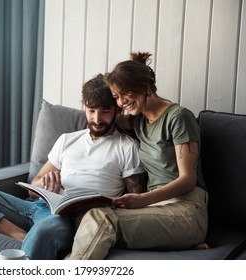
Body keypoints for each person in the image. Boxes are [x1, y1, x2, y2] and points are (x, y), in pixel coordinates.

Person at [0, 74, 147, 260]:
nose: (96, 119)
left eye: (104, 112)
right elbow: (32, 189)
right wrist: (44, 184)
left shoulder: (126, 147)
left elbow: (134, 201)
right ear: (84, 106)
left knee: (43, 232)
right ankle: (18, 235)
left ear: (116, 110)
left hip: (68, 219)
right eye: (91, 110)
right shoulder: (68, 140)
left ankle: (30, 240)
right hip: (35, 207)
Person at [65, 52, 209, 260]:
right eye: (116, 97)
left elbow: (188, 180)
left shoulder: (178, 118)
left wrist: (142, 199)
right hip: (157, 210)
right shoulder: (138, 122)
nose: (122, 102)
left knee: (100, 219)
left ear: (145, 85)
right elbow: (102, 124)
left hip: (186, 207)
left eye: (126, 93)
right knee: (84, 217)